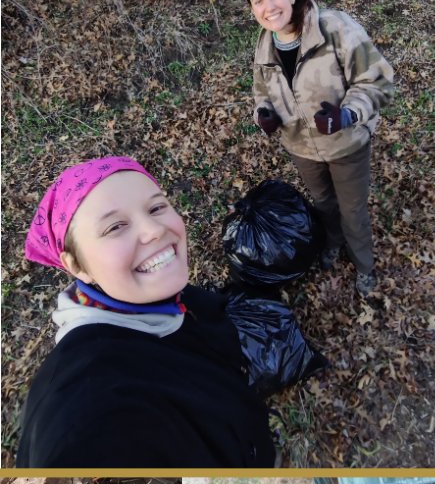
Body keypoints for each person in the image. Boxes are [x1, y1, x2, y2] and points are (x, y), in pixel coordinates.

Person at [17, 157, 276, 467]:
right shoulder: (90, 407)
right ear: (76, 265)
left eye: (156, 208)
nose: (153, 230)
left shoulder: (165, 301)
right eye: (115, 227)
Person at [245, 0, 394, 296]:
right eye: (258, 0)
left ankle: (364, 265)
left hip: (346, 145)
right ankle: (332, 243)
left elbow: (378, 80)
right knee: (324, 203)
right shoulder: (264, 43)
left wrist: (346, 114)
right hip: (301, 148)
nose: (269, 7)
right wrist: (264, 114)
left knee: (353, 210)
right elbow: (260, 91)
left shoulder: (334, 27)